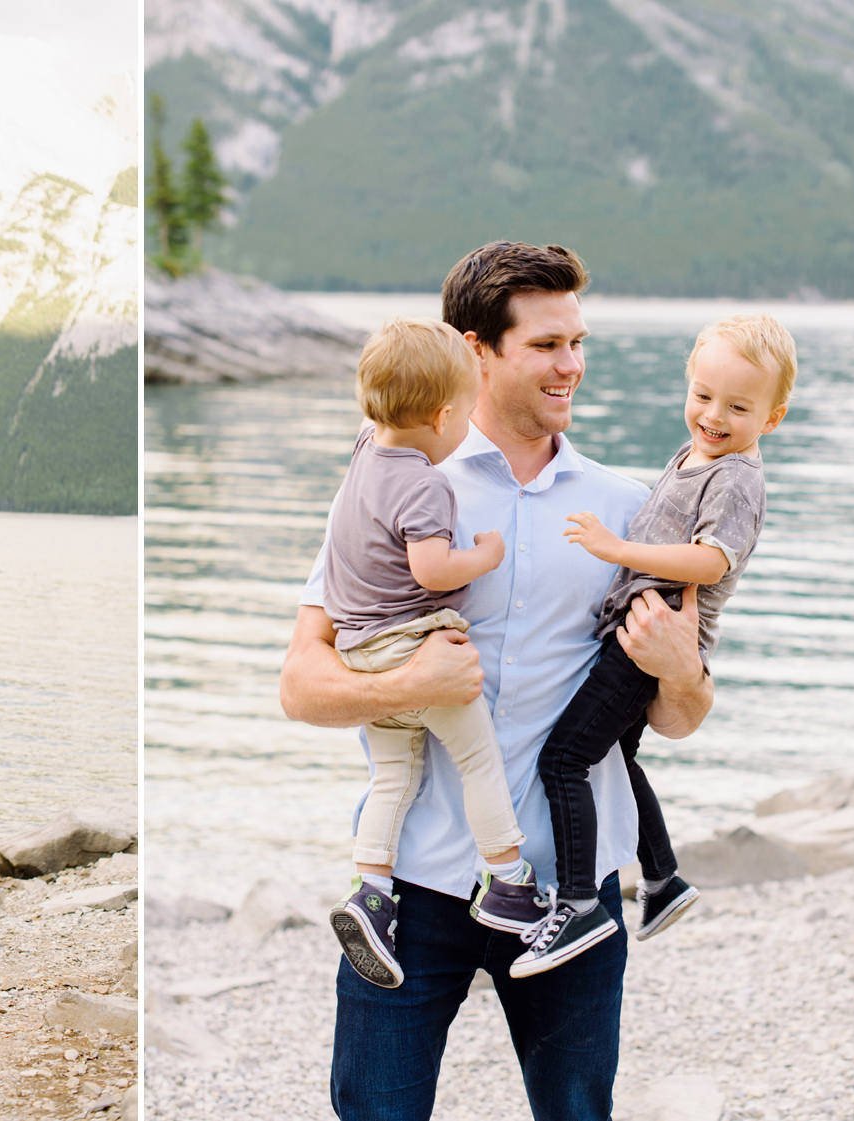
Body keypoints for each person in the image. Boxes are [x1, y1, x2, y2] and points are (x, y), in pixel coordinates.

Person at [279, 241, 715, 1121]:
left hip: (572, 897)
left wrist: (681, 670)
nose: (573, 366)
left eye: (578, 342)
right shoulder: (390, 487)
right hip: (413, 892)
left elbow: (677, 717)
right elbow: (301, 683)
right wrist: (401, 686)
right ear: (475, 348)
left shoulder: (630, 514)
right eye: (547, 345)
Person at [512, 314, 795, 978]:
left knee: (564, 760)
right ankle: (664, 880)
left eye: (738, 406)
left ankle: (579, 902)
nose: (713, 415)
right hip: (636, 628)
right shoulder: (696, 454)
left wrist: (617, 549)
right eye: (702, 395)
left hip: (652, 636)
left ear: (773, 418)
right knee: (611, 756)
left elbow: (709, 562)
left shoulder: (737, 479)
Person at [322, 317, 531, 992]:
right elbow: (434, 567)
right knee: (476, 758)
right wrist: (487, 555)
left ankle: (372, 891)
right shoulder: (426, 483)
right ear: (443, 416)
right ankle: (506, 879)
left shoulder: (363, 452)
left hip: (360, 651)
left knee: (392, 778)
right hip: (415, 647)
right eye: (466, 413)